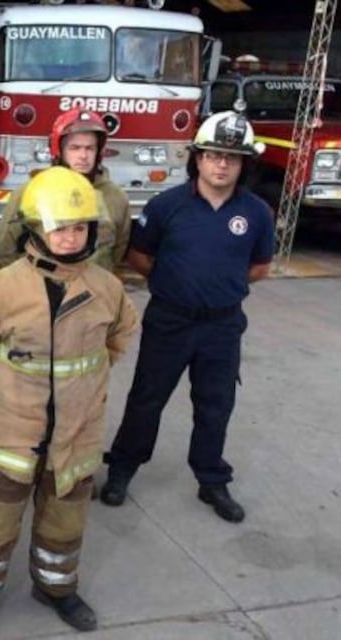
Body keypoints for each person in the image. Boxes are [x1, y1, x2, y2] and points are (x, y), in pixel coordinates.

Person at [0, 167, 138, 640]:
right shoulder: (1, 288)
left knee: (65, 520)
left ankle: (56, 588)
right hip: (10, 433)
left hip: (75, 436)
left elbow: (117, 341)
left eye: (79, 228)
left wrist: (78, 386)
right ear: (35, 229)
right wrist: (11, 385)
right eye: (59, 227)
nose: (70, 237)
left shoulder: (107, 289)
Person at [100, 111, 274, 523]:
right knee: (147, 398)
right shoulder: (166, 206)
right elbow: (139, 255)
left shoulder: (257, 213)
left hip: (222, 325)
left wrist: (219, 288)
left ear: (244, 163)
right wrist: (176, 284)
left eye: (231, 158)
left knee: (216, 405)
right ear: (197, 158)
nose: (221, 164)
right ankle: (122, 468)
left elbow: (260, 267)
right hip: (170, 321)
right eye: (213, 155)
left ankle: (211, 478)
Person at [0, 108, 130, 274]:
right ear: (58, 150)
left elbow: (118, 249)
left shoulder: (115, 197)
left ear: (99, 152)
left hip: (93, 291)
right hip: (41, 291)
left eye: (90, 148)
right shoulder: (31, 191)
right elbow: (6, 247)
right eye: (75, 148)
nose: (83, 155)